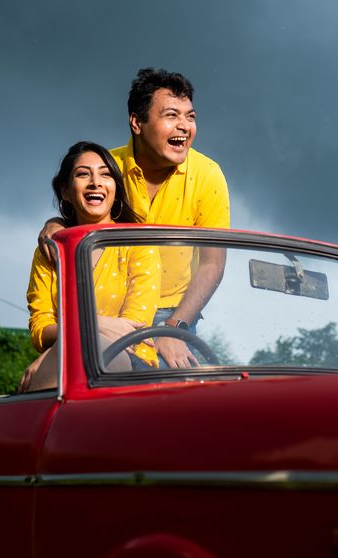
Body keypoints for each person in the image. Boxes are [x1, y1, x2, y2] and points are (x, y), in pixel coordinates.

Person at [38, 68, 230, 368]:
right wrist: (56, 225)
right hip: (109, 307)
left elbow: (212, 265)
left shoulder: (208, 175)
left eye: (190, 117)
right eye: (171, 115)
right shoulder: (107, 168)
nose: (184, 126)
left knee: (179, 391)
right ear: (137, 122)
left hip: (173, 312)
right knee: (75, 374)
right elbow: (77, 212)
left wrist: (173, 329)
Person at [19, 141, 160, 392]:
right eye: (83, 174)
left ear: (115, 187)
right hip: (64, 362)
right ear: (65, 191)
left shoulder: (138, 243)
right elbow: (40, 329)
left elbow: (131, 327)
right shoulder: (50, 251)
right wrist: (95, 324)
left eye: (105, 175)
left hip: (132, 362)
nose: (96, 182)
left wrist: (75, 333)